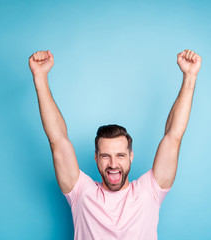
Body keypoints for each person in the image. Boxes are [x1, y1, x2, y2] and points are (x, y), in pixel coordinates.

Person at [28, 49, 202, 239]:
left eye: (120, 155)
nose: (113, 164)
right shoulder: (81, 194)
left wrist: (190, 76)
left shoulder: (148, 192)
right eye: (105, 156)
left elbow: (173, 136)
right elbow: (57, 139)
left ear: (131, 156)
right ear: (96, 157)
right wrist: (40, 77)